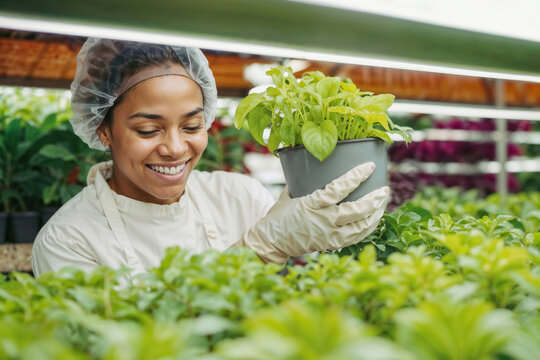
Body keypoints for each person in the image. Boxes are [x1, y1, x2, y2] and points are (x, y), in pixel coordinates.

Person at [31, 38, 390, 277]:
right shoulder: (68, 239)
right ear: (103, 130)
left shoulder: (241, 197)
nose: (174, 148)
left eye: (191, 126)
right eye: (148, 130)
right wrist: (261, 248)